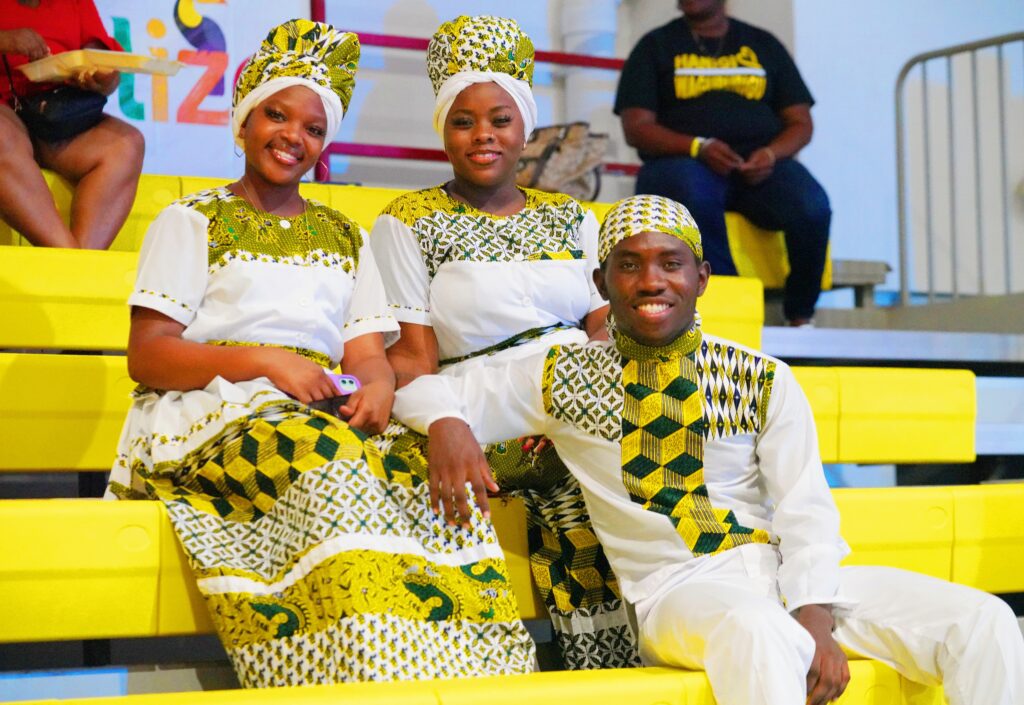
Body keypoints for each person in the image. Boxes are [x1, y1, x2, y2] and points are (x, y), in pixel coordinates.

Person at [393, 194, 1024, 705]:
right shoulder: (561, 376)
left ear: (702, 277)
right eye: (629, 264)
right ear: (601, 282)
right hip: (678, 594)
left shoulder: (761, 375)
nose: (651, 281)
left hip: (782, 582)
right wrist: (449, 424)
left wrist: (815, 614)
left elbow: (806, 510)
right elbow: (419, 391)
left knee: (983, 621)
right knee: (758, 631)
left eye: (670, 263)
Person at [104, 19, 535, 687]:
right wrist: (270, 364)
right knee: (325, 457)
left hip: (314, 408)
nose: (292, 137)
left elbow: (367, 353)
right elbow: (150, 355)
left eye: (312, 128)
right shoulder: (191, 219)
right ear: (243, 121)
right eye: (276, 115)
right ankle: (345, 665)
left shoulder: (344, 234)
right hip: (211, 409)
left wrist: (378, 392)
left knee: (417, 467)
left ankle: (459, 674)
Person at [369, 14, 639, 669]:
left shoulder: (572, 216)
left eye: (500, 119)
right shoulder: (405, 221)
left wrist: (575, 398)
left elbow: (604, 322)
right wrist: (517, 410)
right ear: (443, 130)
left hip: (579, 384)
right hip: (482, 399)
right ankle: (605, 666)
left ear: (524, 129)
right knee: (582, 474)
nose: (483, 135)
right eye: (463, 121)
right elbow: (413, 358)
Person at [614, 0, 830, 326]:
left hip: (757, 164)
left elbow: (801, 122)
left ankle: (801, 314)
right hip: (683, 161)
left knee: (811, 205)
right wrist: (697, 147)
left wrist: (771, 154)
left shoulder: (763, 44)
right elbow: (637, 127)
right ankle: (731, 310)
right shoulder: (655, 46)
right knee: (694, 192)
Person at [0, 0, 144, 248]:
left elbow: (101, 60)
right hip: (6, 113)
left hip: (55, 114)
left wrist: (101, 79)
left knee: (126, 144)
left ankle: (76, 266)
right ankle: (67, 257)